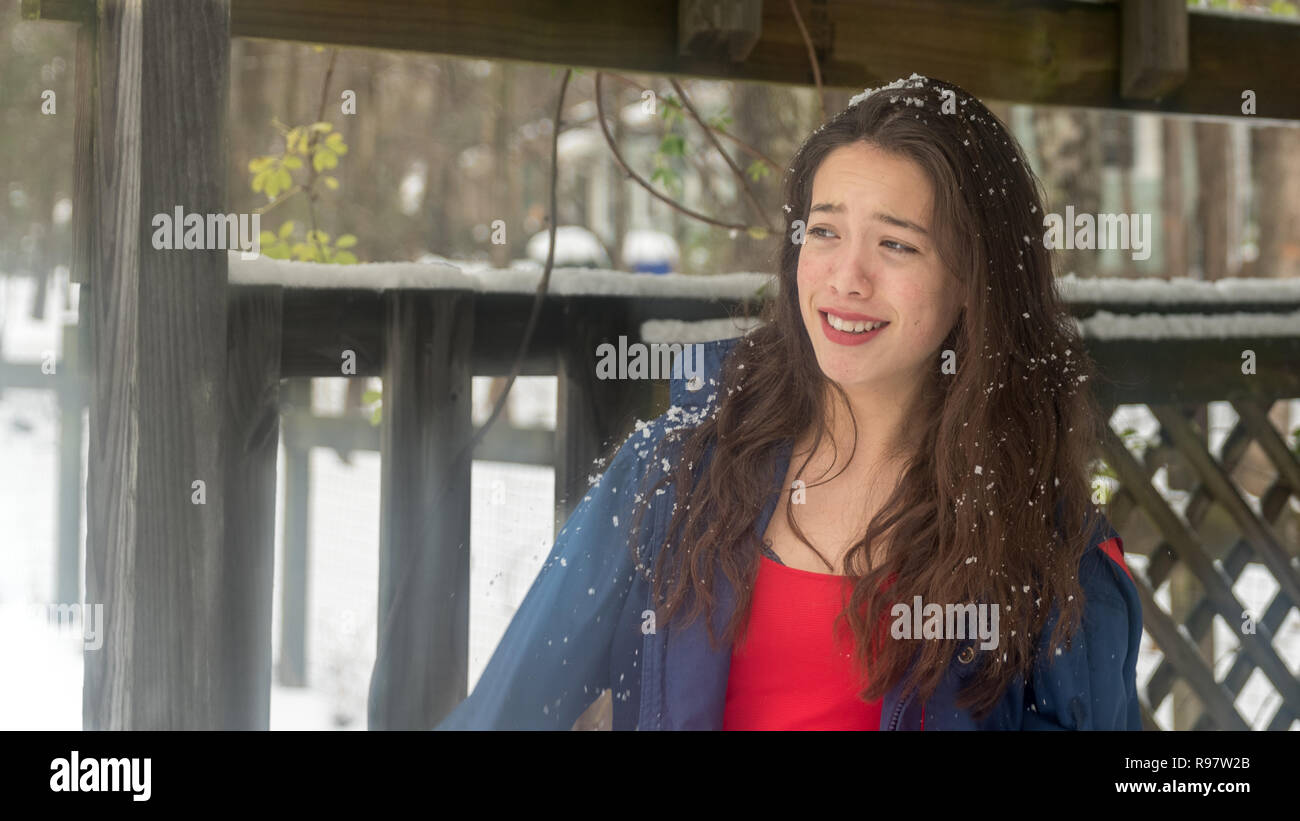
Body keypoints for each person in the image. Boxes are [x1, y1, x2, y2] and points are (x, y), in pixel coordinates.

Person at [436, 74, 1142, 731]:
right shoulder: (671, 477)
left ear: (974, 282)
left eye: (896, 244)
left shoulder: (1044, 545)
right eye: (825, 231)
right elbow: (503, 712)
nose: (847, 277)